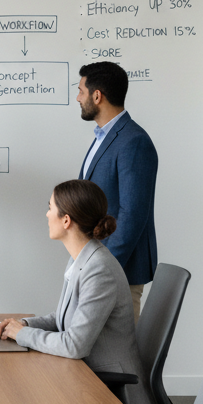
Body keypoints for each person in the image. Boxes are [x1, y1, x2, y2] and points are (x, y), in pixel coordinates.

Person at [0, 179, 153, 404]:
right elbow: (61, 318)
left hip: (112, 393)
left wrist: (23, 334)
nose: (47, 214)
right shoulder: (80, 258)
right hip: (85, 376)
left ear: (66, 220)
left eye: (50, 208)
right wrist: (22, 325)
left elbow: (74, 345)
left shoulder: (99, 269)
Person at [76, 61, 158, 323]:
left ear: (97, 96)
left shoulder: (133, 141)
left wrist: (104, 266)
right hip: (95, 265)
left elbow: (132, 214)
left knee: (119, 348)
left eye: (81, 91)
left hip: (118, 271)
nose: (78, 98)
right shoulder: (104, 137)